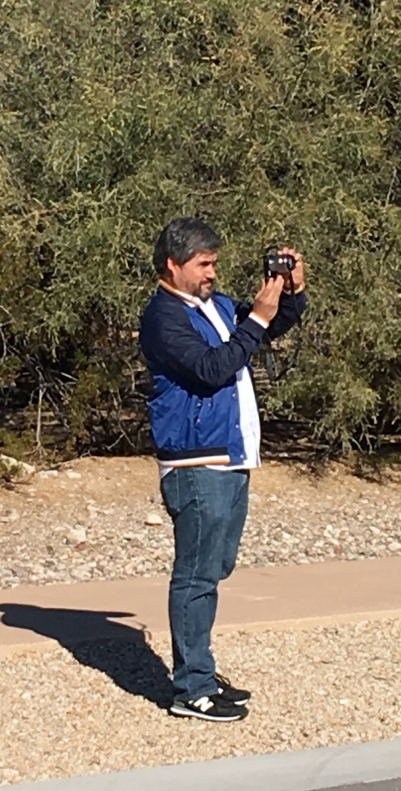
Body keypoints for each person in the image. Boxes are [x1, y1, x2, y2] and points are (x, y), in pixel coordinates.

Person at [139, 217, 307, 722]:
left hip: (229, 457)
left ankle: (201, 674)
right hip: (196, 463)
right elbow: (213, 368)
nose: (212, 272)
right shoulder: (164, 317)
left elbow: (266, 327)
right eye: (203, 264)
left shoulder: (214, 306)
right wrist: (254, 319)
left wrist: (291, 292)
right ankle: (191, 690)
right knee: (195, 574)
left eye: (214, 263)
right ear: (174, 265)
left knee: (214, 568)